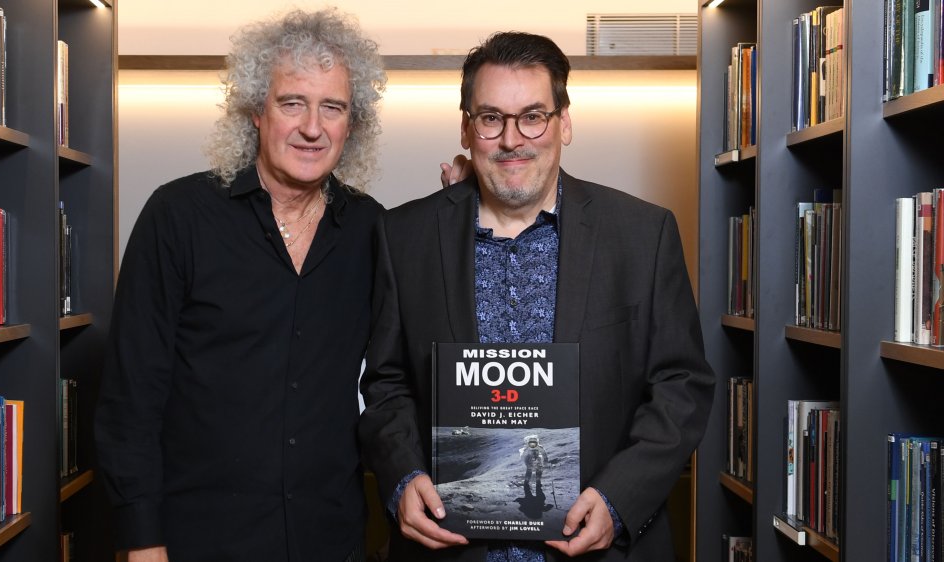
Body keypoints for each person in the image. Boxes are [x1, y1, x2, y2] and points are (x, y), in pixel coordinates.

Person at [358, 31, 715, 561]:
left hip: (594, 549)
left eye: (532, 116)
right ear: (466, 128)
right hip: (450, 546)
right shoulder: (403, 236)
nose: (512, 139)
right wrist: (402, 475)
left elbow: (682, 386)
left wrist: (618, 499)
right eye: (490, 118)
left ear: (563, 123)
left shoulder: (642, 235)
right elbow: (386, 380)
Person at [94, 9, 386, 562]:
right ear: (256, 110)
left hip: (331, 538)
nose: (312, 127)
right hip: (198, 541)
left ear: (353, 122)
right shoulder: (178, 216)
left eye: (333, 107)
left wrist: (463, 206)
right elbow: (131, 397)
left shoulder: (372, 229)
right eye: (292, 102)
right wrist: (142, 541)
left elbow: (405, 370)